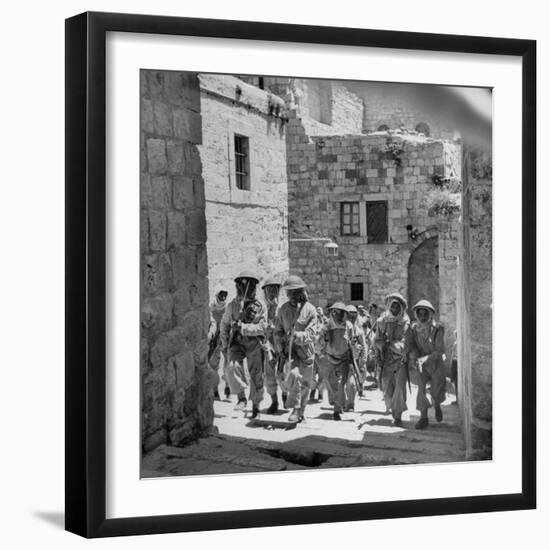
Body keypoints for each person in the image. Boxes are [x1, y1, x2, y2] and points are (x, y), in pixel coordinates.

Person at [220, 271, 267, 418]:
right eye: (241, 286)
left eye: (248, 286)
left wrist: (244, 328)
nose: (244, 289)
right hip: (237, 342)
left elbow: (262, 328)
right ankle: (241, 397)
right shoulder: (233, 305)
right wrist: (225, 343)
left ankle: (256, 407)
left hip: (254, 342)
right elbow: (224, 324)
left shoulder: (260, 306)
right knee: (232, 367)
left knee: (256, 375)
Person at [273, 275, 319, 423]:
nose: (292, 295)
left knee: (305, 384)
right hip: (289, 353)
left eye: (295, 292)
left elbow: (312, 334)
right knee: (294, 375)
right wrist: (280, 343)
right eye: (289, 292)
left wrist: (297, 336)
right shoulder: (283, 309)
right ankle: (295, 409)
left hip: (306, 352)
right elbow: (278, 330)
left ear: (301, 292)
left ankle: (301, 412)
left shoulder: (310, 310)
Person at [404, 300, 446, 429]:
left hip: (436, 362)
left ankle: (437, 405)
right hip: (421, 365)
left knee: (436, 390)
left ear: (430, 315)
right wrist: (413, 355)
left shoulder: (438, 329)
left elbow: (438, 350)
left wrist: (425, 359)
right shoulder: (413, 328)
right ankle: (423, 417)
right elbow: (410, 345)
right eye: (420, 314)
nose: (422, 317)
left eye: (425, 314)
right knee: (421, 390)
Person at [375, 293, 410, 427]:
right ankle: (392, 408)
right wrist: (381, 344)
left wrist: (392, 344)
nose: (394, 308)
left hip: (400, 361)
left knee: (399, 389)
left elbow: (405, 344)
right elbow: (377, 340)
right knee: (387, 388)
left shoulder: (405, 322)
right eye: (392, 306)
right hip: (386, 361)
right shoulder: (382, 321)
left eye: (397, 306)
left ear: (401, 307)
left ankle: (398, 415)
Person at [319, 302, 356, 420]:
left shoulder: (349, 326)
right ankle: (337, 403)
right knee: (331, 383)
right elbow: (319, 343)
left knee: (340, 384)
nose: (337, 315)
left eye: (340, 312)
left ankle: (336, 409)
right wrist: (323, 338)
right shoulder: (327, 325)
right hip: (329, 359)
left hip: (344, 359)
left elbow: (352, 342)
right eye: (334, 312)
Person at [261, 276, 283, 414]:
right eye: (269, 290)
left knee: (284, 374)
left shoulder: (283, 308)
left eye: (275, 290)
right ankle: (274, 401)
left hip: (282, 345)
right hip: (268, 345)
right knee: (269, 375)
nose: (272, 293)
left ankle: (285, 395)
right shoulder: (262, 308)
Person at [209, 286, 230, 400]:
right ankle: (214, 389)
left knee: (228, 363)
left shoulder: (227, 308)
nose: (223, 297)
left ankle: (228, 387)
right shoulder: (211, 308)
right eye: (221, 294)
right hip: (214, 340)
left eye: (225, 295)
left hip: (225, 338)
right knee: (213, 365)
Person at [346, 305, 368, 396]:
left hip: (356, 359)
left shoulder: (359, 332)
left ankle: (359, 389)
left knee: (359, 377)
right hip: (344, 359)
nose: (352, 318)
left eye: (354, 316)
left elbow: (363, 346)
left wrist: (363, 359)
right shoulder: (343, 330)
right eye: (350, 316)